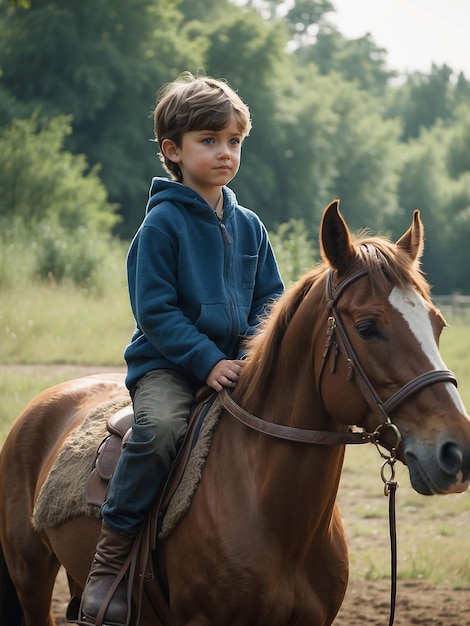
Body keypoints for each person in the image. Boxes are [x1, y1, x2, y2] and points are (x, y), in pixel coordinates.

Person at [78, 72, 284, 625]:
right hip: (171, 365)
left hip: (238, 366)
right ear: (173, 150)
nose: (225, 153)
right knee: (160, 430)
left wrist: (251, 357)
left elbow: (271, 301)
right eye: (209, 141)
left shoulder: (250, 226)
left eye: (234, 141)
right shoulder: (161, 224)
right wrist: (206, 361)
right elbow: (156, 312)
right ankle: (111, 558)